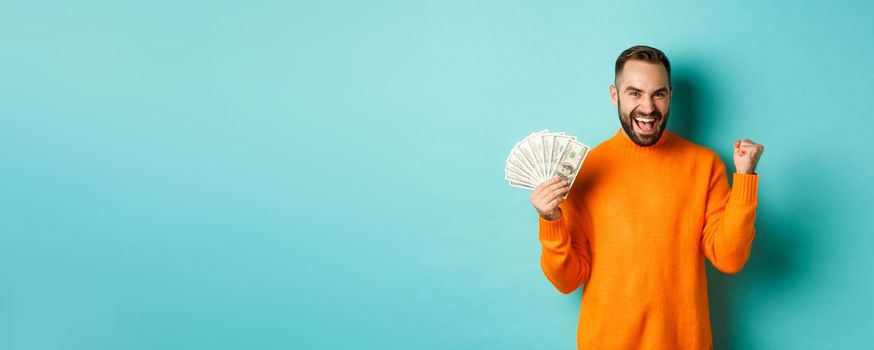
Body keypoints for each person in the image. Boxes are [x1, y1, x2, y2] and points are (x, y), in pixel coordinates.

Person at [530, 45, 764, 350]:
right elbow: (567, 280)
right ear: (615, 95)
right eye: (635, 93)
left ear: (670, 96)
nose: (648, 108)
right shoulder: (583, 170)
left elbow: (730, 258)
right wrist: (550, 221)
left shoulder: (704, 165)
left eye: (658, 94)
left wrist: (745, 177)